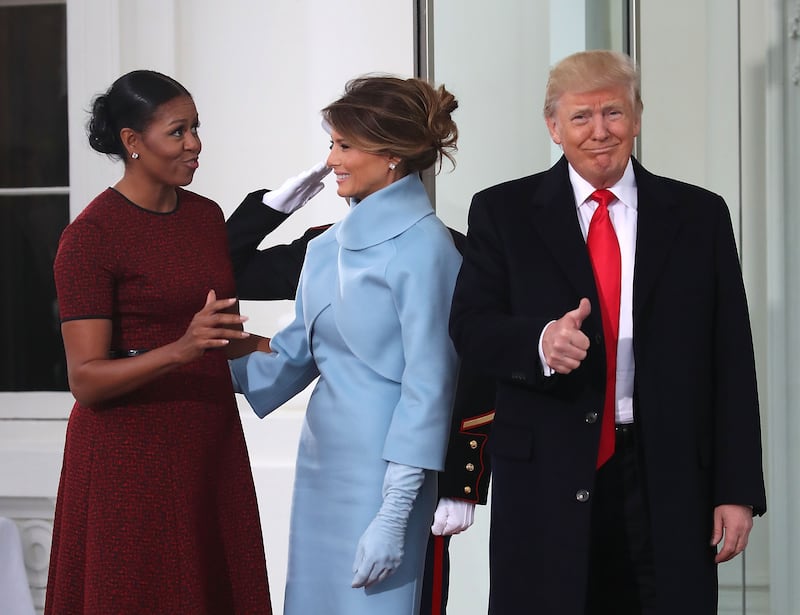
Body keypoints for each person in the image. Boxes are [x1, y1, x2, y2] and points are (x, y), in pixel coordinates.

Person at [448, 50, 766, 615]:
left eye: (614, 114)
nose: (600, 132)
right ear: (553, 126)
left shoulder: (700, 215)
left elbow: (732, 360)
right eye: (581, 117)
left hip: (667, 476)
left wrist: (737, 491)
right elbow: (470, 328)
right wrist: (540, 342)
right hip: (546, 473)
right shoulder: (503, 211)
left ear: (637, 117)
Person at [229, 75, 462, 615]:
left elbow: (429, 389)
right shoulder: (326, 246)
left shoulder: (428, 249)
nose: (331, 159)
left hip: (385, 478)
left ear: (392, 157)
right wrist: (183, 365)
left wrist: (395, 513)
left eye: (344, 145)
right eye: (332, 143)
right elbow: (291, 358)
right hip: (321, 467)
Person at [46, 70, 271, 614]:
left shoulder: (205, 217)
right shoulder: (90, 237)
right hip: (129, 460)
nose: (195, 144)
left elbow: (221, 336)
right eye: (178, 131)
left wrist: (311, 350)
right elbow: (87, 381)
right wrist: (180, 349)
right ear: (132, 142)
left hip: (208, 443)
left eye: (196, 128)